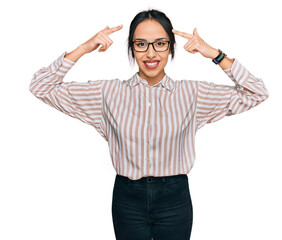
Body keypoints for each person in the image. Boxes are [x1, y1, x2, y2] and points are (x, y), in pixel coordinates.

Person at [29, 8, 269, 240]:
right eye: (141, 44)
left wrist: (215, 54)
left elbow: (256, 93)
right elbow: (41, 87)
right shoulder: (107, 93)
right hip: (127, 198)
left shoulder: (192, 93)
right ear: (132, 49)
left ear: (171, 48)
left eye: (160, 43)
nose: (151, 54)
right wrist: (83, 48)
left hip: (175, 198)